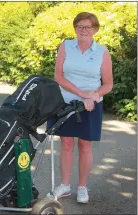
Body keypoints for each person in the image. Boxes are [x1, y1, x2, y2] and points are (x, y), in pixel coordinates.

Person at [46, 12, 113, 203]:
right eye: (79, 26)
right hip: (65, 103)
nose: (83, 30)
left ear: (95, 29)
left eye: (88, 27)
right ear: (75, 28)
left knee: (85, 145)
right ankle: (65, 186)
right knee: (66, 144)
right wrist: (83, 94)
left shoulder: (102, 52)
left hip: (90, 106)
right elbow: (59, 77)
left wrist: (94, 95)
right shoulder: (65, 46)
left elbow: (108, 84)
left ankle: (82, 187)